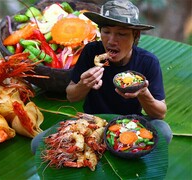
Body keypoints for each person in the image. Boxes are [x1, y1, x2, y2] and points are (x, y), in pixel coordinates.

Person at [31, 0, 172, 154]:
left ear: (135, 35)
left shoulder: (148, 61)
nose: (111, 40)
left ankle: (125, 151)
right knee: (37, 144)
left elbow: (160, 113)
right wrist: (83, 85)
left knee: (164, 131)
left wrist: (144, 93)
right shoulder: (91, 52)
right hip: (91, 123)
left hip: (131, 124)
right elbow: (71, 96)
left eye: (121, 34)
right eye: (106, 32)